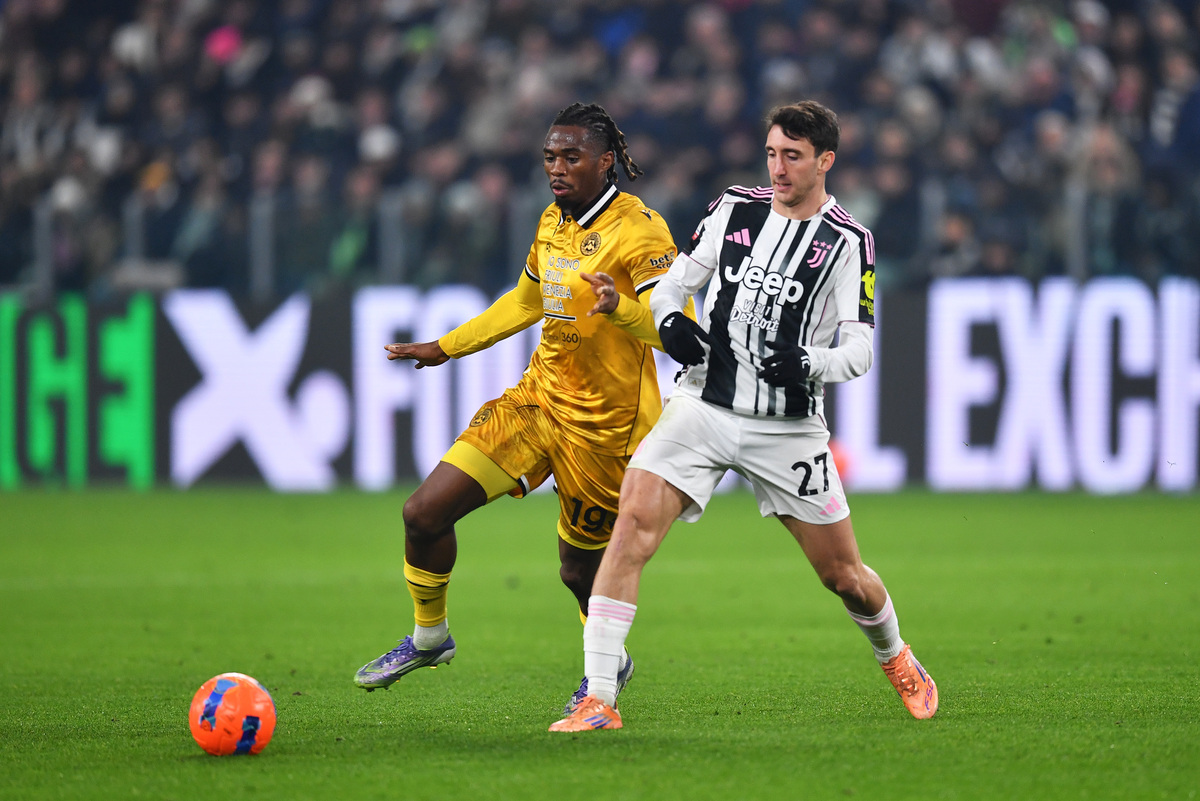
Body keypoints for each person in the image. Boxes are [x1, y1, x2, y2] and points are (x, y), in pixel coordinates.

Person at [549, 100, 938, 732]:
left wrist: (806, 361)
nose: (778, 168)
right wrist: (672, 319)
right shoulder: (734, 208)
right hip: (703, 405)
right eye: (771, 153)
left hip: (786, 429)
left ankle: (896, 656)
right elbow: (678, 282)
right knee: (631, 529)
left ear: (825, 161)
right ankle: (599, 699)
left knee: (843, 576)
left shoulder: (846, 243)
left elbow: (861, 350)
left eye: (792, 156)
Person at [353, 102, 694, 716]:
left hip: (604, 427)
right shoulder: (551, 220)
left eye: (570, 157)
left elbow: (678, 330)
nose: (556, 168)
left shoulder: (640, 231)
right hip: (536, 402)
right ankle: (430, 638)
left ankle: (607, 665)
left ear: (604, 161)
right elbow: (525, 301)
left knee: (578, 571)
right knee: (424, 512)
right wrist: (447, 346)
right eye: (549, 157)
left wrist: (619, 307)